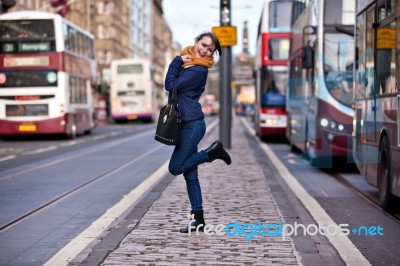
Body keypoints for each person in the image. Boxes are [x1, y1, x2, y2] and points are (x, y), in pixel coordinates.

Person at [164, 32, 232, 233]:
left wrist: (176, 61)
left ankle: (211, 153)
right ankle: (198, 219)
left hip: (192, 125)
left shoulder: (199, 69)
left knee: (176, 167)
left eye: (210, 50)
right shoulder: (190, 63)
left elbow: (170, 86)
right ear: (195, 42)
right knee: (190, 174)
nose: (205, 50)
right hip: (186, 123)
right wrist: (181, 62)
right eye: (203, 45)